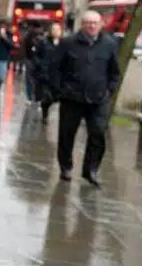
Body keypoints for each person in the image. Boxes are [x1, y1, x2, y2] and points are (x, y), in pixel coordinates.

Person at [46, 11, 120, 186]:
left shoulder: (109, 44)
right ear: (82, 25)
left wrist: (109, 90)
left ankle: (91, 170)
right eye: (88, 23)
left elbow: (114, 72)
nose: (92, 26)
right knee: (66, 134)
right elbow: (54, 68)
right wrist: (60, 90)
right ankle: (66, 167)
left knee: (98, 133)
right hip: (72, 98)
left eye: (95, 23)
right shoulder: (68, 43)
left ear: (101, 24)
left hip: (99, 98)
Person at [34, 22, 64, 123]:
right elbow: (36, 56)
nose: (56, 31)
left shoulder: (64, 43)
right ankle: (45, 114)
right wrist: (41, 65)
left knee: (57, 97)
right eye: (54, 29)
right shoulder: (44, 42)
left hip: (59, 76)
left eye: (58, 29)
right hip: (45, 75)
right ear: (50, 31)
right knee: (47, 97)